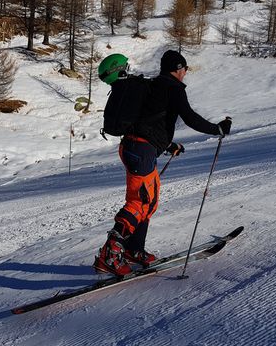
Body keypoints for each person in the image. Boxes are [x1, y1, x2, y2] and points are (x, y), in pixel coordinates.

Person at [93, 50, 232, 276]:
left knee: (149, 202)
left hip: (137, 148)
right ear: (179, 69)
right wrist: (216, 129)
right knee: (139, 202)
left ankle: (133, 250)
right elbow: (189, 117)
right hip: (140, 150)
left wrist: (166, 144)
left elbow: (147, 121)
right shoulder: (172, 87)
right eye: (184, 69)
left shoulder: (154, 86)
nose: (185, 73)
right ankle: (109, 255)